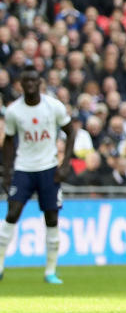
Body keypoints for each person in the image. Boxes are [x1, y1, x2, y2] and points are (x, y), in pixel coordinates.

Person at [0, 63, 76, 284]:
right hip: (24, 168)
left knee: (51, 218)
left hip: (48, 169)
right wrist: (7, 173)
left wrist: (65, 164)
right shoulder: (14, 111)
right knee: (12, 214)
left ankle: (50, 271)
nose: (31, 84)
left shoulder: (53, 107)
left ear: (40, 83)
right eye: (27, 81)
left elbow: (71, 133)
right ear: (21, 84)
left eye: (34, 80)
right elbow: (9, 142)